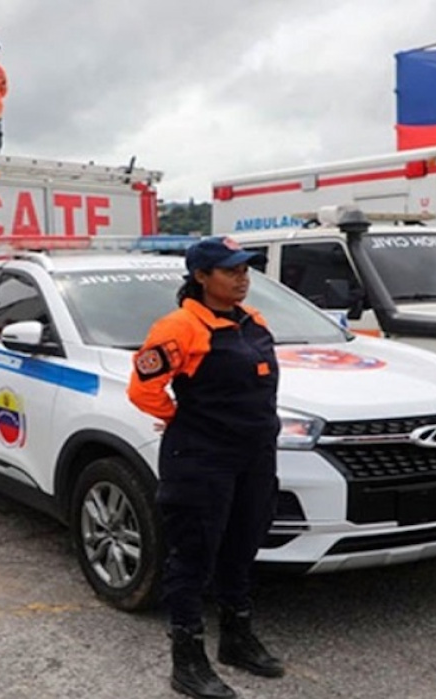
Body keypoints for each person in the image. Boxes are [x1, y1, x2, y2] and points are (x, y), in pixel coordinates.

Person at [128, 237, 284, 699]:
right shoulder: (178, 327)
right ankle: (188, 659)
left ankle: (236, 638)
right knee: (193, 555)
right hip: (201, 459)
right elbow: (143, 390)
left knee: (241, 545)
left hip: (253, 455)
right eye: (231, 270)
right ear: (201, 276)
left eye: (246, 270)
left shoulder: (252, 320)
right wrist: (183, 421)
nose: (243, 278)